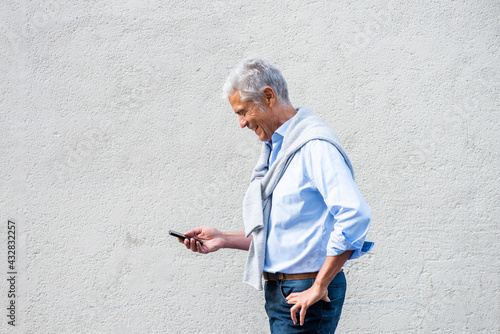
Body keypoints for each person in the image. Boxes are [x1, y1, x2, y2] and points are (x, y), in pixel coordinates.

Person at [178, 56, 373, 333]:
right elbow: (285, 235)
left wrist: (319, 285)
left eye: (243, 111)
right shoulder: (277, 152)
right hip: (282, 293)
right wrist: (223, 238)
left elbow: (355, 215)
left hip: (304, 294)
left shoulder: (313, 147)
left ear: (268, 97)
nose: (242, 123)